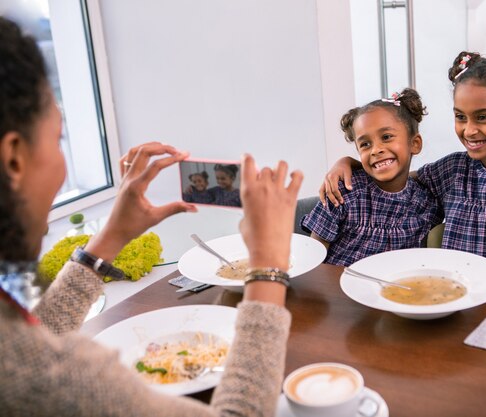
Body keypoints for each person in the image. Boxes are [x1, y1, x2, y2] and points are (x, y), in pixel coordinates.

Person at [0, 16, 303, 417]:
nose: (63, 165)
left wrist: (109, 238)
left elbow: (29, 344)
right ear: (14, 158)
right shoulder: (60, 377)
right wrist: (267, 266)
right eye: (58, 139)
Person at [319, 46, 486, 415]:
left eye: (482, 117)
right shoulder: (452, 172)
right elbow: (398, 173)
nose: (469, 129)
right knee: (429, 386)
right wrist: (349, 160)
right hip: (457, 313)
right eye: (460, 117)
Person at [301, 88, 442, 265]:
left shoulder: (426, 205)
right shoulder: (343, 192)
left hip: (391, 291)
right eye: (365, 144)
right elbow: (312, 260)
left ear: (414, 144)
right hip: (333, 289)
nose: (376, 150)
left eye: (387, 137)